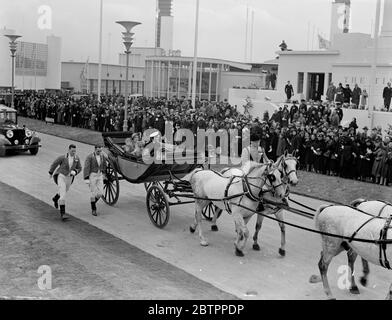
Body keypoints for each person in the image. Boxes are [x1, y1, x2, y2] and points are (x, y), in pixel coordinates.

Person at [49, 144, 82, 221]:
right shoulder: (63, 157)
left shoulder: (76, 158)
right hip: (61, 177)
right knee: (63, 194)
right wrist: (50, 172)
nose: (74, 152)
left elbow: (80, 168)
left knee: (63, 191)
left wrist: (76, 171)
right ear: (68, 150)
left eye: (75, 151)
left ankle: (55, 198)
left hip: (69, 178)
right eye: (72, 151)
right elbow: (55, 164)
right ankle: (62, 214)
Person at [84, 144, 107, 216]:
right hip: (92, 175)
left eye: (100, 151)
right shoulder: (90, 157)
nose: (99, 152)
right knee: (93, 193)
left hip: (99, 175)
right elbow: (86, 167)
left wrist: (104, 174)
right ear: (95, 149)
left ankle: (93, 202)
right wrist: (86, 178)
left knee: (100, 193)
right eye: (98, 150)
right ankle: (93, 209)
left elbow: (104, 165)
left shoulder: (102, 156)